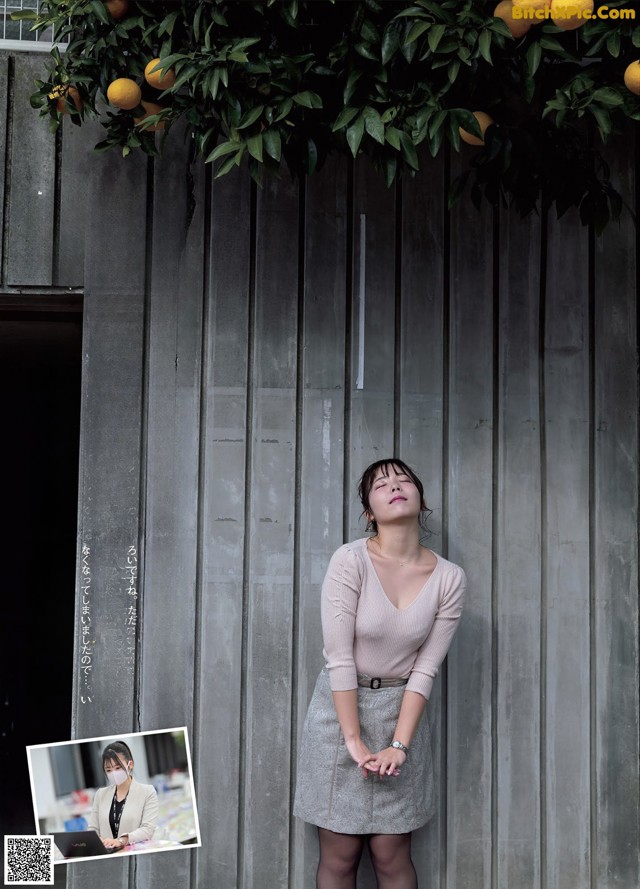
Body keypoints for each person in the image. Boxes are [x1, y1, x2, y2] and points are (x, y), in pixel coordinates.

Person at [293, 458, 466, 889]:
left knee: (392, 852)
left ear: (420, 499)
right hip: (339, 712)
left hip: (401, 714)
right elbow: (339, 658)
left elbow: (426, 668)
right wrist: (352, 740)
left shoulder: (449, 578)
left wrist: (398, 745)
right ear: (369, 511)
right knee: (340, 851)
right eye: (380, 484)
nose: (395, 486)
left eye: (404, 480)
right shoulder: (350, 560)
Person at [87, 740, 158, 850]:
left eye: (118, 768)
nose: (113, 773)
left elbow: (147, 829)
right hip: (106, 854)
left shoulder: (147, 792)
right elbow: (92, 829)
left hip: (134, 853)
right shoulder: (100, 794)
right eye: (108, 770)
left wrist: (121, 841)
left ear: (130, 764)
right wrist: (97, 840)